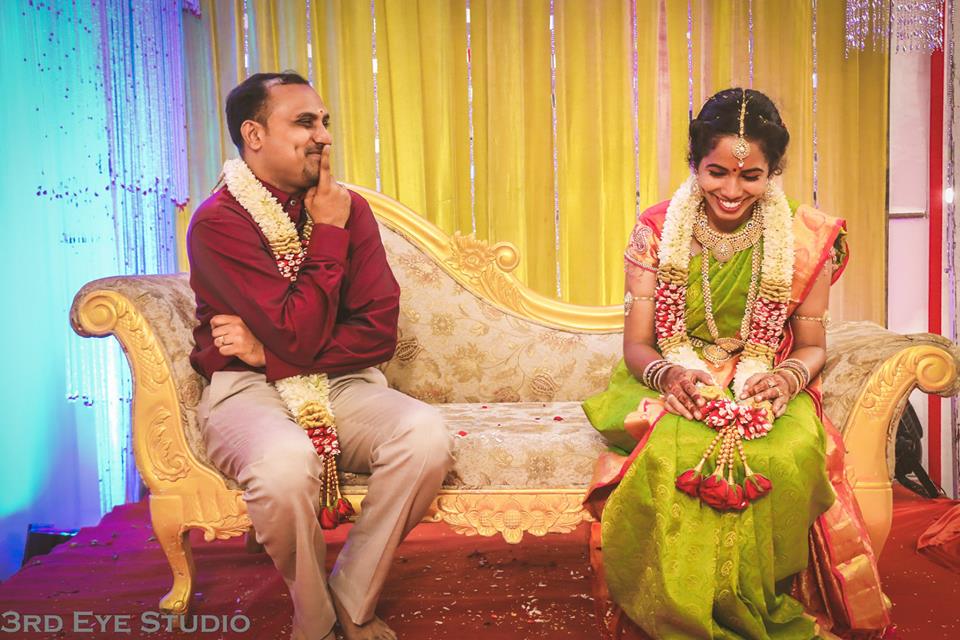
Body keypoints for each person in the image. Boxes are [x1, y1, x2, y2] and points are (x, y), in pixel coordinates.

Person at [583, 88, 891, 639]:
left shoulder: (806, 237)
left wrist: (787, 376)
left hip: (763, 375)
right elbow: (636, 345)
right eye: (716, 172)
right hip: (672, 373)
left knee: (789, 449)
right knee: (676, 448)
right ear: (694, 165)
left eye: (750, 177)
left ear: (773, 172)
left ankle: (754, 601)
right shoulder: (657, 228)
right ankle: (682, 614)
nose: (731, 190)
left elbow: (813, 343)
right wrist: (670, 374)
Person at [187, 71, 453, 640]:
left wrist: (267, 350)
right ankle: (315, 620)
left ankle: (350, 602)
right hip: (244, 388)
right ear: (253, 134)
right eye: (304, 122)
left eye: (325, 122)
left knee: (425, 434)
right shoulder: (219, 223)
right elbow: (298, 334)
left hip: (340, 381)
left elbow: (377, 331)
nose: (324, 136)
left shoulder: (347, 210)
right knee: (283, 467)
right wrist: (326, 239)